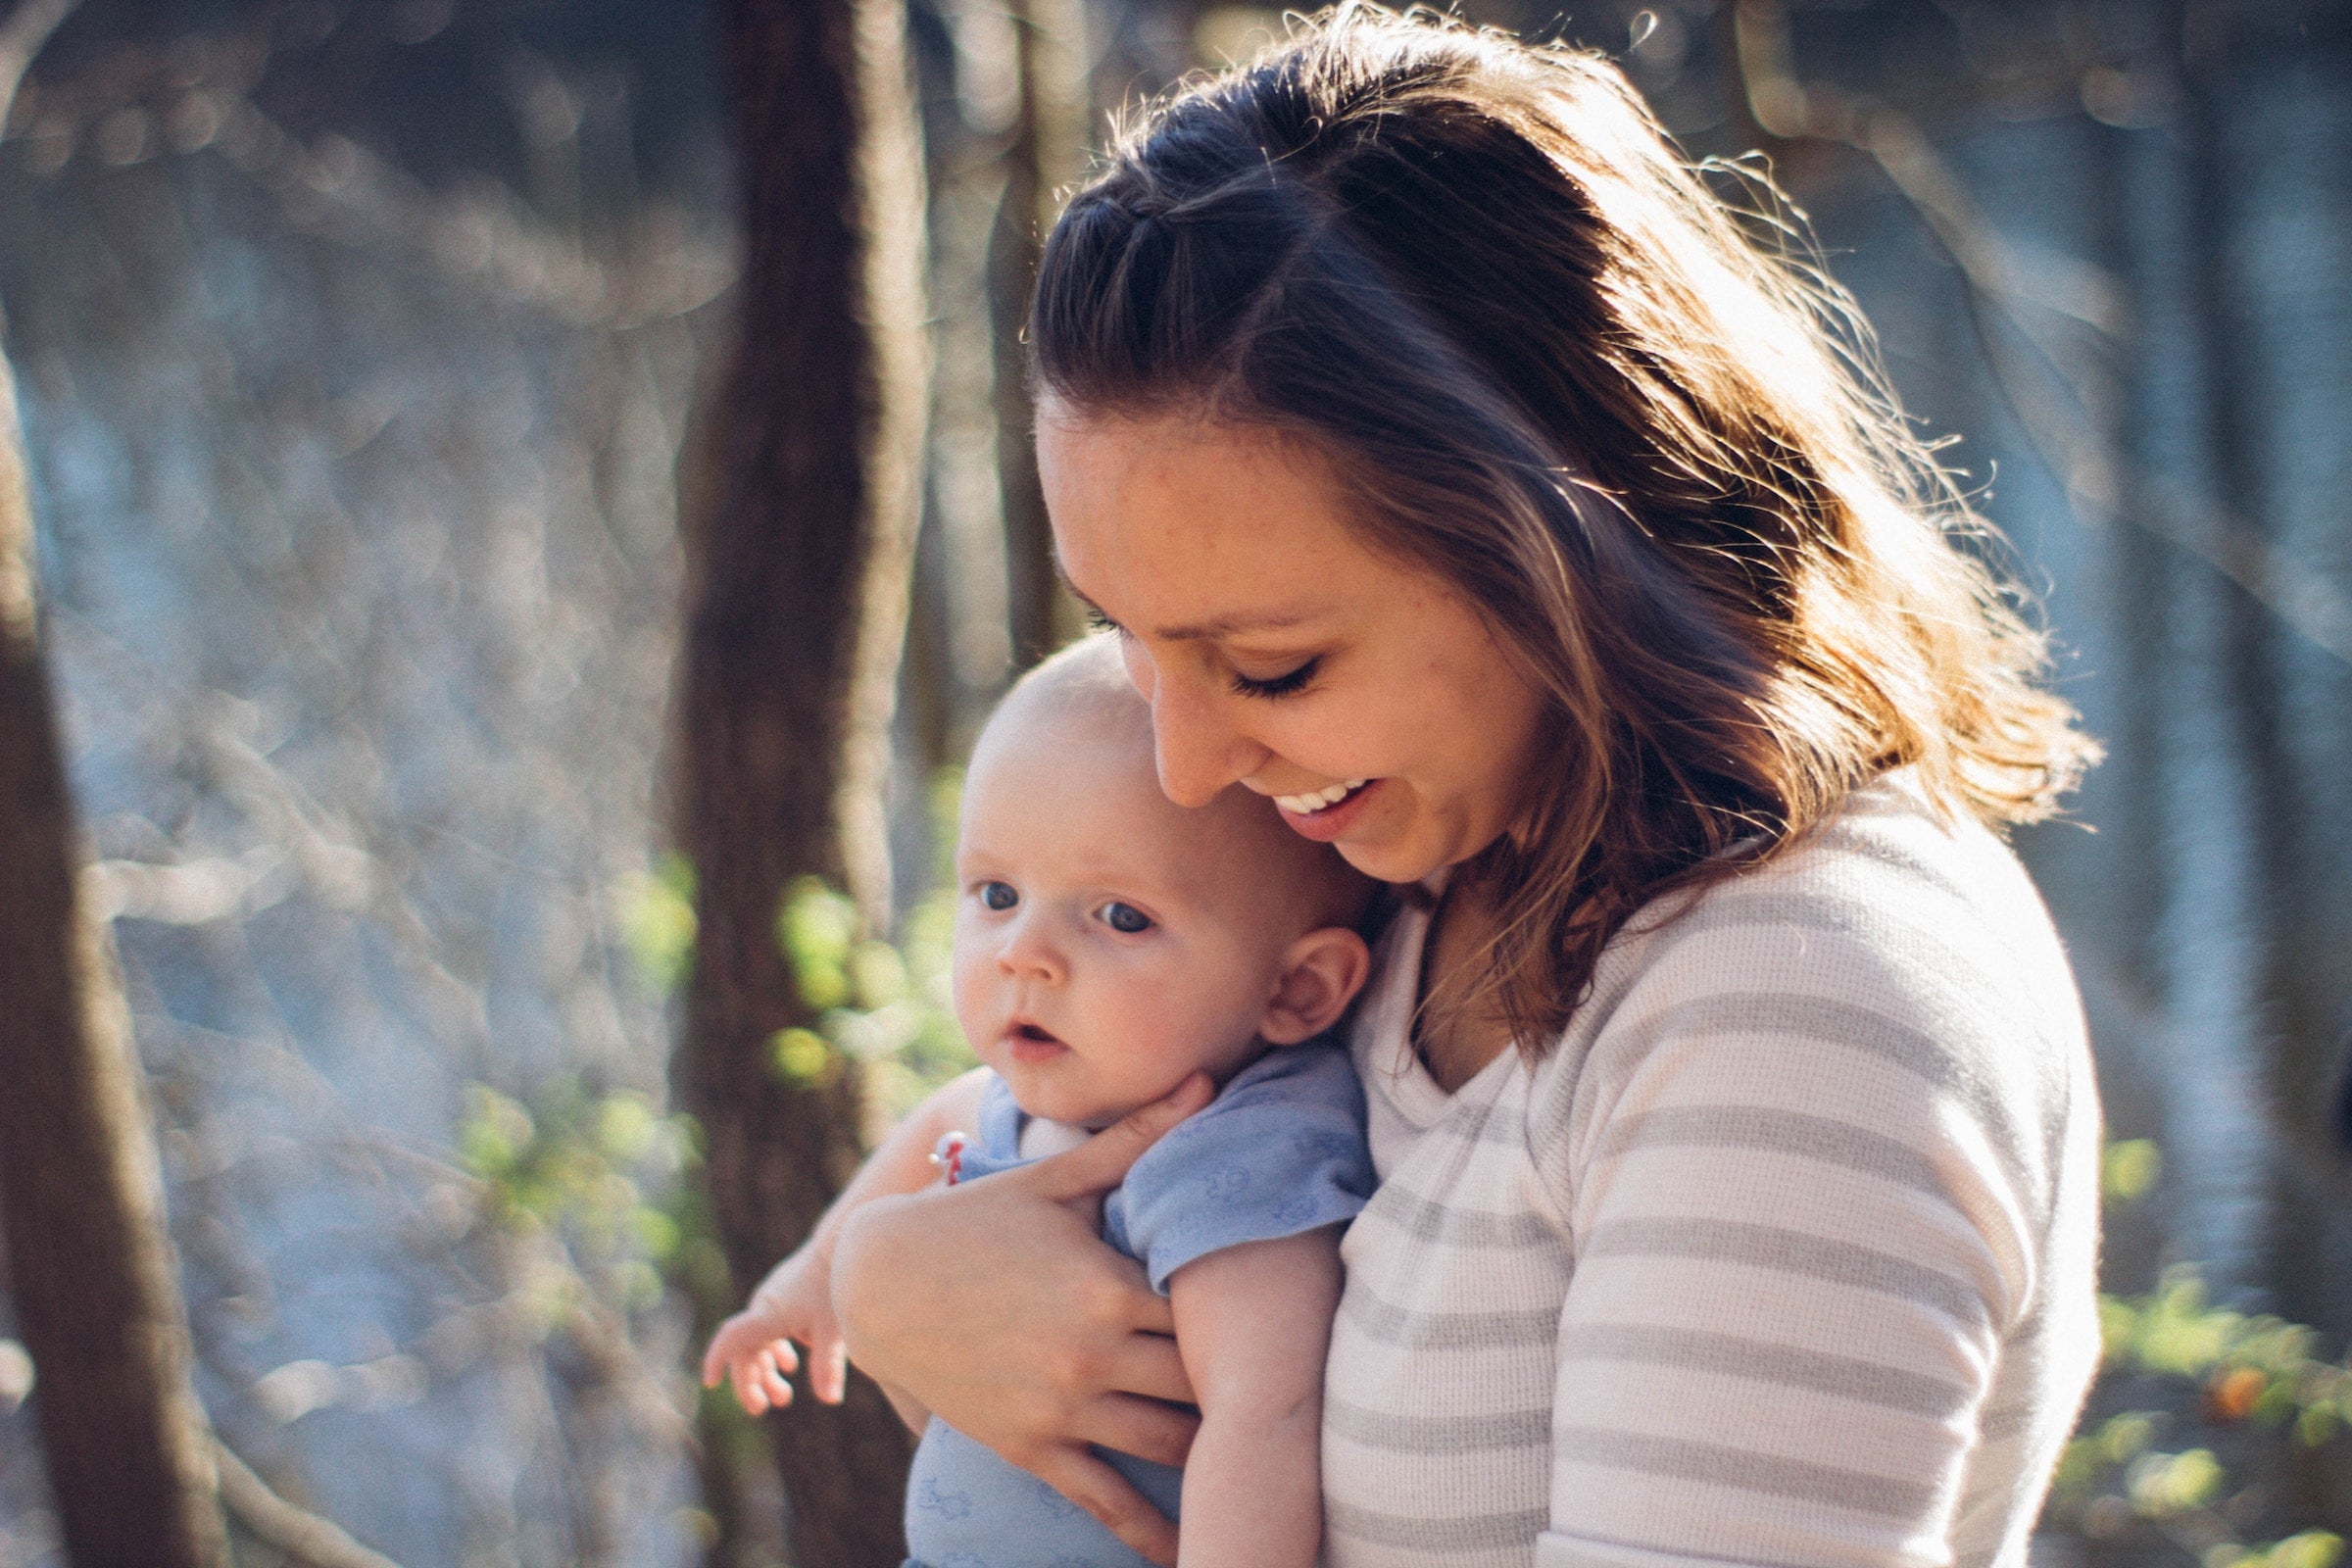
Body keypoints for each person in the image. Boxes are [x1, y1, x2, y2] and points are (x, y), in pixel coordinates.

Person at [822, 7, 2108, 1568]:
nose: (1184, 764)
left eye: (1274, 667)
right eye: (1126, 639)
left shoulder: (1797, 1001)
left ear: (1572, 548)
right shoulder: (1425, 868)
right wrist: (897, 1284)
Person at [702, 636, 1383, 1568]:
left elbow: (1264, 1418)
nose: (1024, 951)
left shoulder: (1236, 1154)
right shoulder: (1010, 1104)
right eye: (996, 892)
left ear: (1298, 990)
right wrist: (801, 1290)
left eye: (1120, 916)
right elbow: (933, 1123)